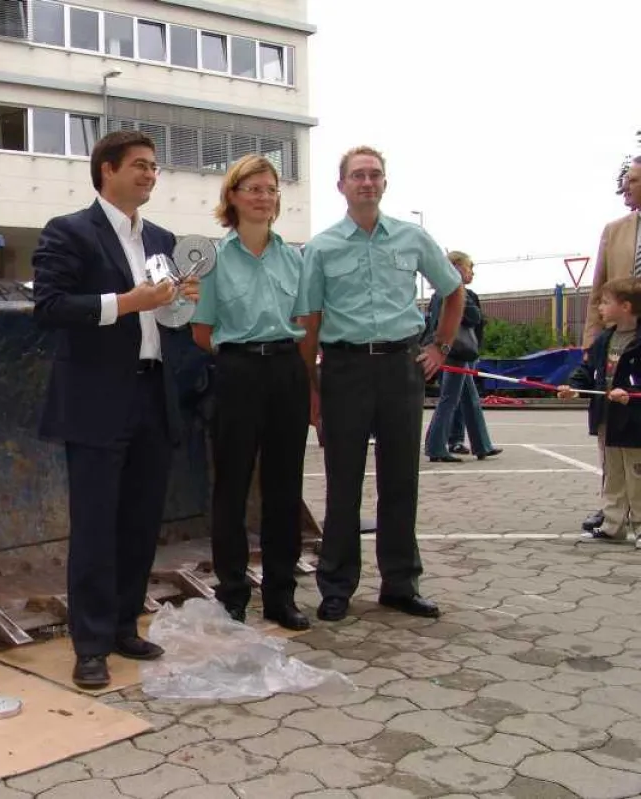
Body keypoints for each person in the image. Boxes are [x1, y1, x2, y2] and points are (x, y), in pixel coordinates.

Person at [32, 130, 200, 689]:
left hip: (152, 394)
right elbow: (50, 307)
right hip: (98, 400)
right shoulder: (69, 232)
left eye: (154, 167)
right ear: (106, 169)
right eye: (139, 165)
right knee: (96, 527)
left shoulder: (160, 237)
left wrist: (179, 300)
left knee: (140, 522)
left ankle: (127, 625)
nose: (150, 175)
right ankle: (91, 644)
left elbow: (163, 320)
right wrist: (130, 302)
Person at [298, 145, 464, 623]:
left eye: (374, 175)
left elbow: (453, 291)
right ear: (342, 186)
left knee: (400, 482)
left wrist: (441, 347)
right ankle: (336, 585)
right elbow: (310, 321)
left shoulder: (412, 238)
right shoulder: (322, 248)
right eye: (357, 176)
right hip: (344, 371)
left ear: (385, 183)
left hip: (399, 369)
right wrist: (311, 387)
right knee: (342, 484)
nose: (366, 182)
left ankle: (400, 583)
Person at [189, 154, 311, 632]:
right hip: (237, 371)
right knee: (233, 489)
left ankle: (281, 595)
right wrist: (233, 359)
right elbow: (202, 330)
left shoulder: (292, 257)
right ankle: (233, 595)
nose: (264, 198)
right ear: (233, 197)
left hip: (286, 370)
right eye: (254, 189)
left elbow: (302, 320)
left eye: (271, 190)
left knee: (285, 488)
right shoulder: (214, 260)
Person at [580, 157, 641, 533]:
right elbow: (598, 287)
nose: (626, 188)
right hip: (622, 336)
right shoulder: (615, 231)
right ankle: (612, 508)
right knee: (612, 429)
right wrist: (590, 341)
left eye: (633, 180)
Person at [559, 277, 641, 544]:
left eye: (606, 302)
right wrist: (573, 387)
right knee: (612, 475)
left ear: (626, 306)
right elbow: (586, 370)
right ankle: (613, 524)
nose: (600, 308)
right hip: (607, 420)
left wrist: (631, 394)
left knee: (637, 476)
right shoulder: (604, 339)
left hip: (634, 423)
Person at [422, 251, 502, 462]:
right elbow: (475, 317)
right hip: (455, 351)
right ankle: (436, 446)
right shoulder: (453, 292)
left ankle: (481, 444)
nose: (471, 272)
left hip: (451, 350)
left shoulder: (439, 293)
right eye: (469, 267)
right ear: (457, 268)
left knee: (470, 399)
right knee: (450, 399)